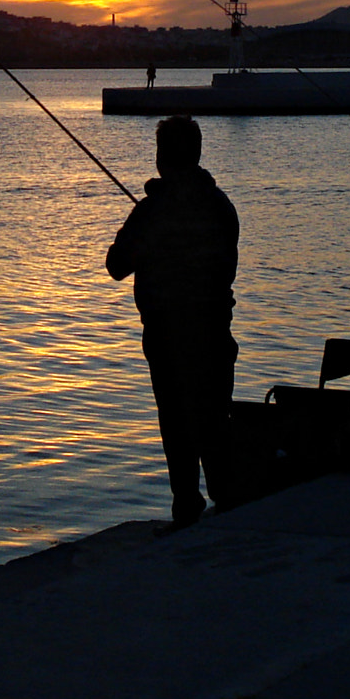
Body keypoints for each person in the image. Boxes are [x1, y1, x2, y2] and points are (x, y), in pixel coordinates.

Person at [106, 115, 239, 530]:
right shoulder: (221, 206)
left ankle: (187, 510)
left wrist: (148, 217)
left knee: (176, 425)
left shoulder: (151, 212)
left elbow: (115, 266)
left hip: (166, 335)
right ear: (197, 155)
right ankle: (229, 503)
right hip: (215, 331)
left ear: (163, 158)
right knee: (215, 419)